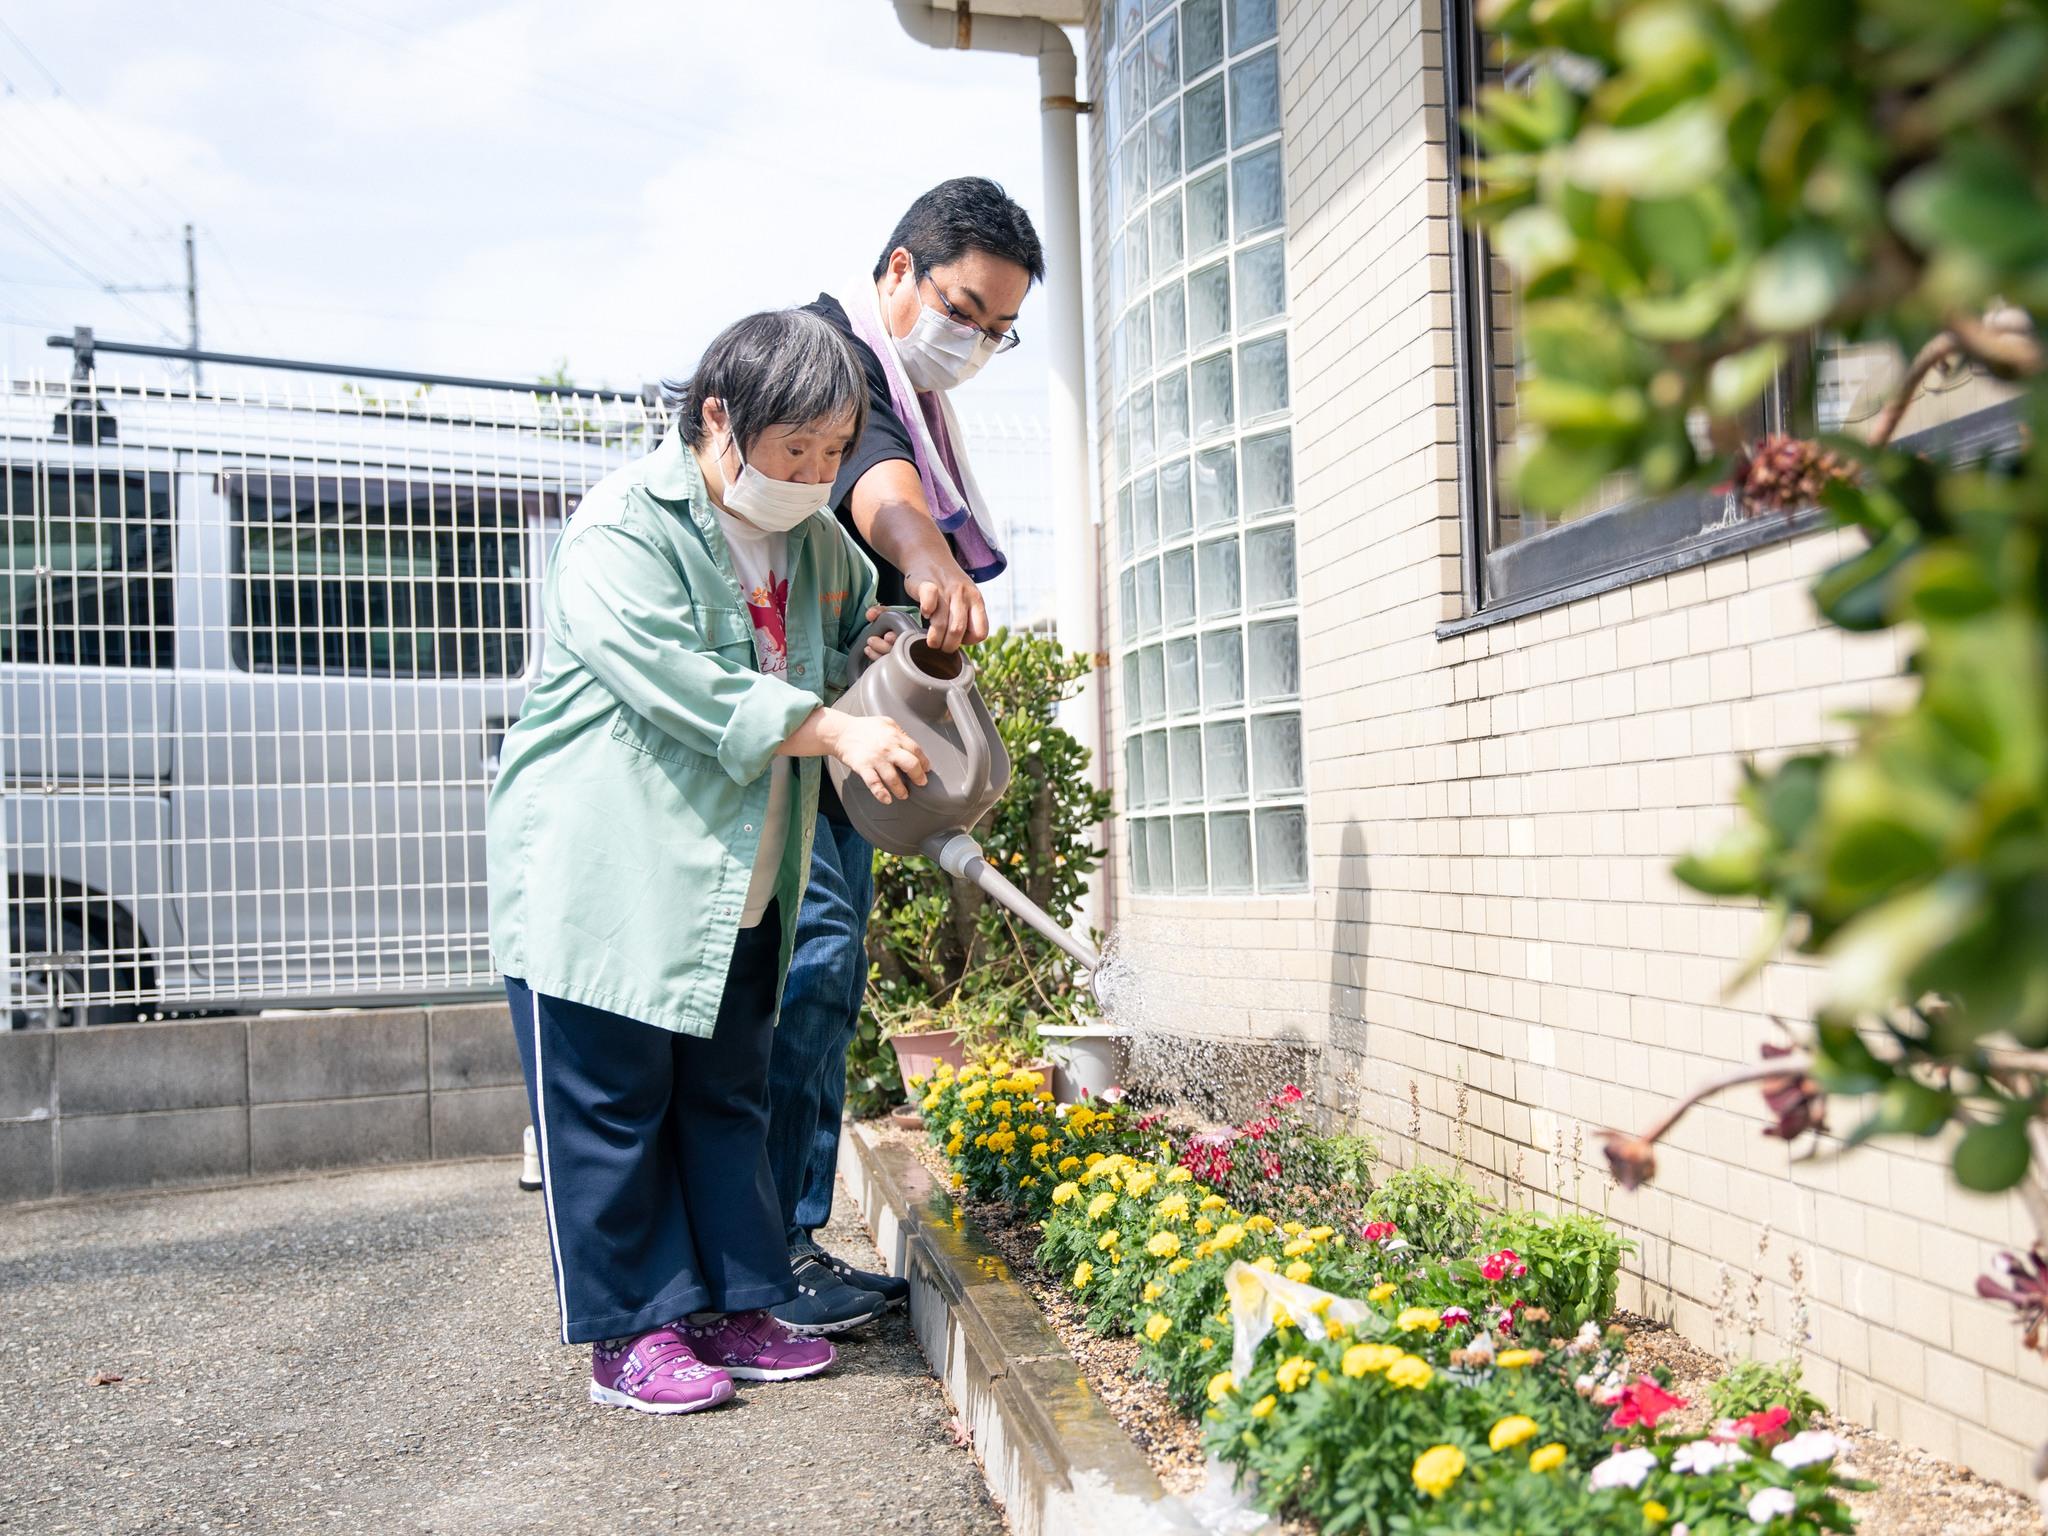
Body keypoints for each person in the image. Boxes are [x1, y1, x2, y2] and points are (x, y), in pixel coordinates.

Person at [488, 308, 931, 1414]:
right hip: (611, 880)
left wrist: (878, 642)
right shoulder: (623, 526)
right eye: (797, 452)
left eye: (835, 455)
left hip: (739, 883)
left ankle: (735, 1304)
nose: (816, 476)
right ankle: (631, 1335)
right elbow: (675, 681)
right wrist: (832, 729)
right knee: (613, 1106)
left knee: (724, 1095)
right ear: (720, 418)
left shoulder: (816, 541)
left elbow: (830, 652)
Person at [764, 178, 1045, 1334]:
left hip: (832, 740)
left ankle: (766, 1247)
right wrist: (924, 564)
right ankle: (772, 1250)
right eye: (962, 309)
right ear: (896, 273)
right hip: (784, 741)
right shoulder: (831, 361)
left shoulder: (908, 395)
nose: (974, 343)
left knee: (811, 973)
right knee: (808, 965)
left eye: (998, 330)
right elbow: (880, 491)